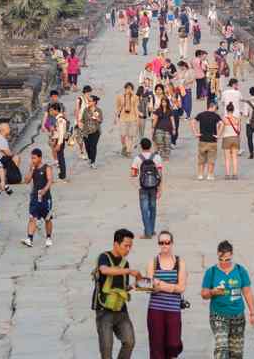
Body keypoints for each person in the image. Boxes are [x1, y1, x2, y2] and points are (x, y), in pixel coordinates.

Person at [200, 240, 254, 359]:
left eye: (227, 260)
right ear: (218, 255)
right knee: (221, 348)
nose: (224, 263)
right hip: (218, 315)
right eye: (221, 260)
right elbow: (204, 294)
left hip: (238, 316)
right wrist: (212, 292)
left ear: (231, 255)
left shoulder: (240, 270)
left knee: (236, 353)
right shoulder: (211, 272)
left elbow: (247, 292)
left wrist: (253, 313)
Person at [93, 228, 142, 359]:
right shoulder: (104, 257)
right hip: (104, 310)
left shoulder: (125, 263)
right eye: (126, 246)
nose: (128, 249)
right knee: (106, 349)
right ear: (116, 244)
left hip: (121, 309)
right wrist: (128, 271)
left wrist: (136, 285)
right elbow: (104, 270)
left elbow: (122, 287)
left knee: (129, 342)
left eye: (130, 246)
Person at [146, 230, 188, 359]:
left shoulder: (180, 262)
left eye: (167, 242)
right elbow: (149, 287)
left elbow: (181, 288)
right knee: (156, 346)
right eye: (161, 242)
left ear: (172, 243)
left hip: (173, 309)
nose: (164, 245)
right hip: (155, 309)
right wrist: (171, 287)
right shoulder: (152, 262)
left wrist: (161, 285)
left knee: (173, 344)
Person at [132, 138, 164, 239]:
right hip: (154, 186)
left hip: (143, 187)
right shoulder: (157, 157)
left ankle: (147, 233)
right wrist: (160, 188)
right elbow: (160, 174)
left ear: (141, 147)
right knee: (153, 208)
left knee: (144, 209)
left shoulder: (138, 158)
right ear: (150, 146)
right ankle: (152, 229)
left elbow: (133, 173)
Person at [21, 148, 54, 248]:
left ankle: (48, 237)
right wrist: (31, 170)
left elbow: (50, 180)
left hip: (45, 198)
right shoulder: (33, 168)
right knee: (32, 218)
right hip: (35, 197)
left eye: (34, 158)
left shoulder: (46, 168)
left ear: (40, 158)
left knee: (47, 219)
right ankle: (29, 239)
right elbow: (26, 181)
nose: (32, 160)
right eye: (31, 158)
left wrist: (45, 190)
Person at [191, 100, 223, 180]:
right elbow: (221, 124)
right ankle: (210, 175)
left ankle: (200, 174)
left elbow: (192, 122)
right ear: (214, 107)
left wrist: (196, 133)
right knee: (211, 159)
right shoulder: (216, 116)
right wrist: (218, 135)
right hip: (212, 140)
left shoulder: (201, 114)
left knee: (201, 158)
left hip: (202, 139)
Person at [116, 83, 139, 158]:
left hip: (132, 118)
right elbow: (118, 107)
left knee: (130, 136)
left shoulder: (135, 97)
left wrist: (137, 118)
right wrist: (116, 117)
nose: (128, 90)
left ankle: (129, 151)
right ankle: (124, 146)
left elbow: (136, 107)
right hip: (123, 118)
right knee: (123, 135)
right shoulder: (120, 97)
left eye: (130, 88)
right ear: (124, 88)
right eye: (127, 88)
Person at [82, 94, 104, 169]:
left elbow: (101, 120)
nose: (88, 102)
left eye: (90, 101)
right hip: (86, 131)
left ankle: (93, 162)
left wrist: (97, 118)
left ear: (94, 102)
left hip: (95, 131)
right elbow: (82, 120)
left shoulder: (98, 110)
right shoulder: (85, 110)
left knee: (93, 146)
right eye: (88, 101)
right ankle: (90, 158)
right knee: (87, 147)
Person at [49, 103, 70, 182]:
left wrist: (58, 144)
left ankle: (63, 175)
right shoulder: (57, 118)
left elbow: (61, 133)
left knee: (61, 158)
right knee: (60, 157)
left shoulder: (60, 120)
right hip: (57, 140)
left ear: (56, 110)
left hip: (60, 140)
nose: (50, 112)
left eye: (52, 110)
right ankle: (62, 174)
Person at [152, 96, 176, 163]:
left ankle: (167, 157)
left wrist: (174, 128)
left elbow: (172, 120)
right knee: (159, 142)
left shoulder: (170, 111)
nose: (164, 103)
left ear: (167, 103)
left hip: (168, 129)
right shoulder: (158, 110)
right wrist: (153, 128)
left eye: (165, 102)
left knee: (167, 143)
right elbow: (155, 119)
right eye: (162, 102)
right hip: (159, 128)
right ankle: (162, 155)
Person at [220, 103, 241, 179]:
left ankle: (227, 174)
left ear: (227, 110)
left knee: (227, 158)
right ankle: (235, 174)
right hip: (235, 138)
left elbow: (221, 129)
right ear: (233, 110)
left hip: (227, 138)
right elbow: (239, 130)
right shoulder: (237, 119)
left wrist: (218, 136)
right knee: (234, 157)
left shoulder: (224, 119)